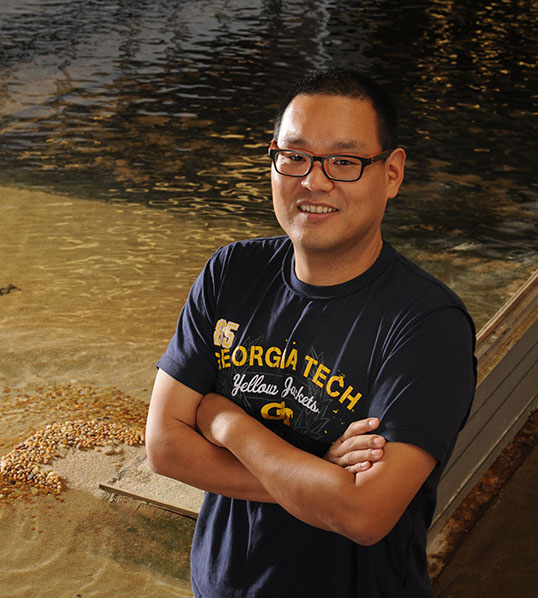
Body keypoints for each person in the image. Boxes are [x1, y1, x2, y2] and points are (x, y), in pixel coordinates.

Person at [145, 67, 477, 597]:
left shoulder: (427, 324)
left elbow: (365, 512)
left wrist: (225, 420)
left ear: (392, 173)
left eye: (344, 162)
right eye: (294, 156)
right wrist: (316, 476)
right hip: (220, 585)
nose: (314, 181)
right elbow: (163, 446)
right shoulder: (233, 271)